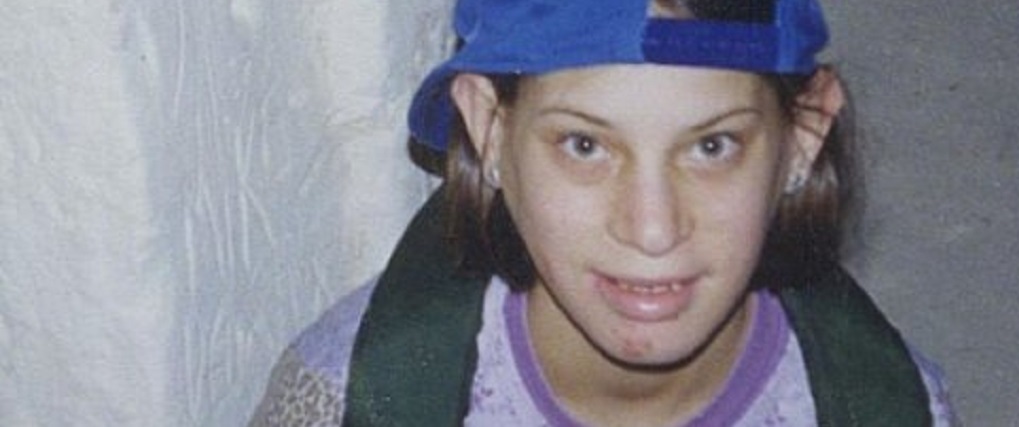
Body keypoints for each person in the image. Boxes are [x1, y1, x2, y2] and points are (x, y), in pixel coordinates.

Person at [252, 0, 957, 425]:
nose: (652, 230)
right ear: (491, 131)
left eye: (712, 145)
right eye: (584, 144)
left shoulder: (881, 405)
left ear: (803, 134)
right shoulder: (354, 398)